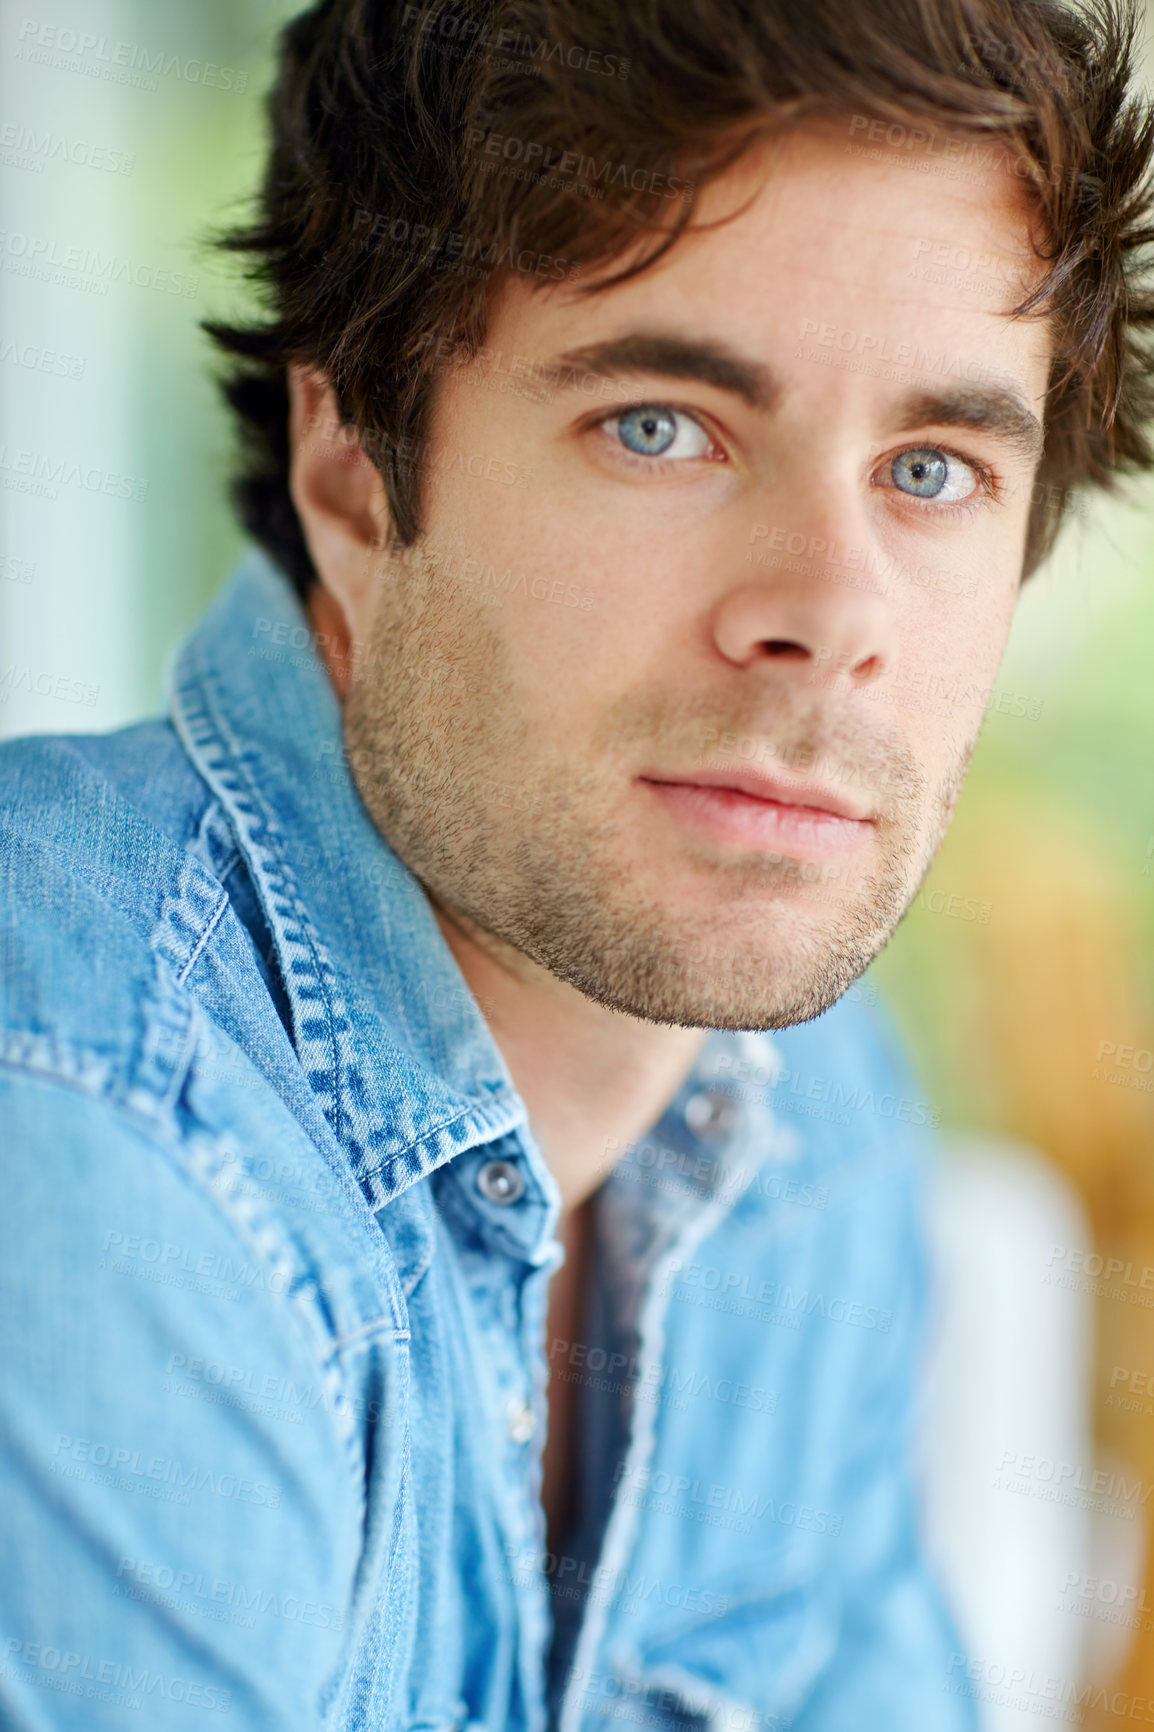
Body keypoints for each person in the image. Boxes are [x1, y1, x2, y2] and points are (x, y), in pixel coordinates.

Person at [2, 0, 1152, 1725]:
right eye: (662, 427)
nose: (828, 617)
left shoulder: (806, 1112)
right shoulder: (79, 1125)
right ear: (355, 476)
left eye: (930, 468)